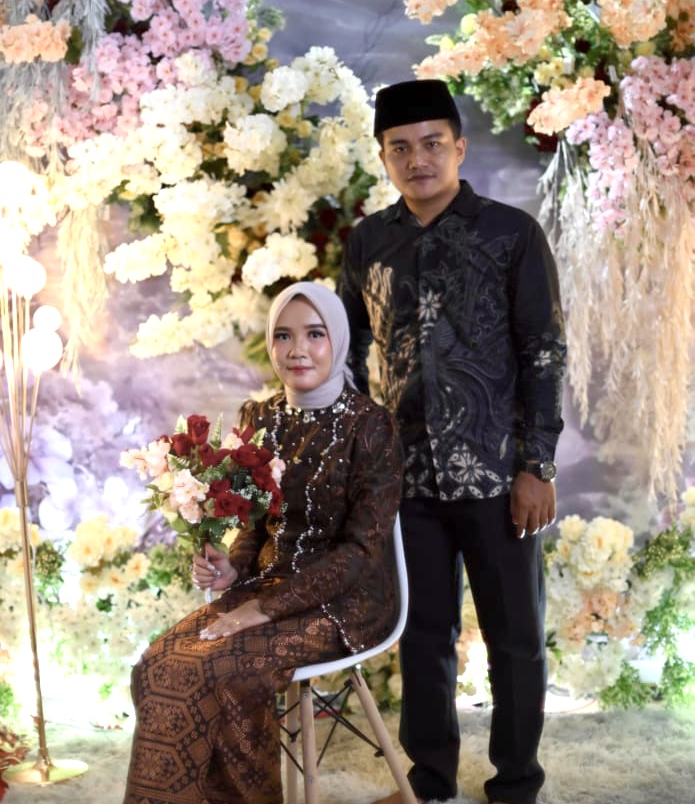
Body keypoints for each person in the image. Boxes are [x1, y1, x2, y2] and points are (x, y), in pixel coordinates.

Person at [338, 79, 567, 804]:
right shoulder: (369, 241)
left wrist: (536, 465)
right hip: (407, 481)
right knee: (423, 638)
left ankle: (517, 783)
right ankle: (429, 781)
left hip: (499, 476)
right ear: (384, 157)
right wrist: (360, 459)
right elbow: (346, 353)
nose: (418, 159)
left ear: (459, 148)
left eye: (432, 143)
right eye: (399, 148)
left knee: (515, 640)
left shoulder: (510, 234)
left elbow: (543, 351)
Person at [122, 281, 403, 804]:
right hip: (264, 586)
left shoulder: (372, 427)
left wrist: (263, 610)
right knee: (158, 664)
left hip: (346, 601)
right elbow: (255, 523)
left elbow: (362, 553)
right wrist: (232, 567)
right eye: (283, 336)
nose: (298, 350)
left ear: (338, 340)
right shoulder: (260, 417)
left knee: (224, 669)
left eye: (315, 334)